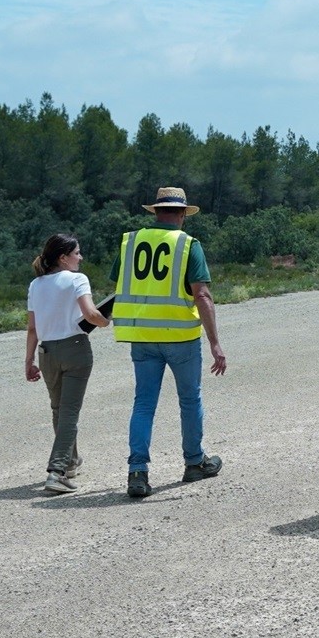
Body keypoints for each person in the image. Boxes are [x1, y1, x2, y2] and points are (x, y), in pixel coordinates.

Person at [111, 187, 227, 499]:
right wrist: (215, 342)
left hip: (142, 337)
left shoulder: (130, 241)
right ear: (182, 214)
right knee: (189, 400)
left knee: (143, 403)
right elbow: (201, 294)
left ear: (156, 212)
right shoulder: (188, 244)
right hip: (180, 336)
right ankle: (193, 462)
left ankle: (137, 471)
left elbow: (120, 285)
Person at [25, 234, 111, 494]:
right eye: (77, 253)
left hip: (47, 352)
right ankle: (57, 471)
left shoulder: (35, 285)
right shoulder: (77, 279)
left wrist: (28, 361)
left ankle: (71, 462)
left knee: (58, 409)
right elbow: (90, 314)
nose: (80, 257)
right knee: (69, 413)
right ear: (63, 258)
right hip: (75, 350)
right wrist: (106, 321)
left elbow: (32, 328)